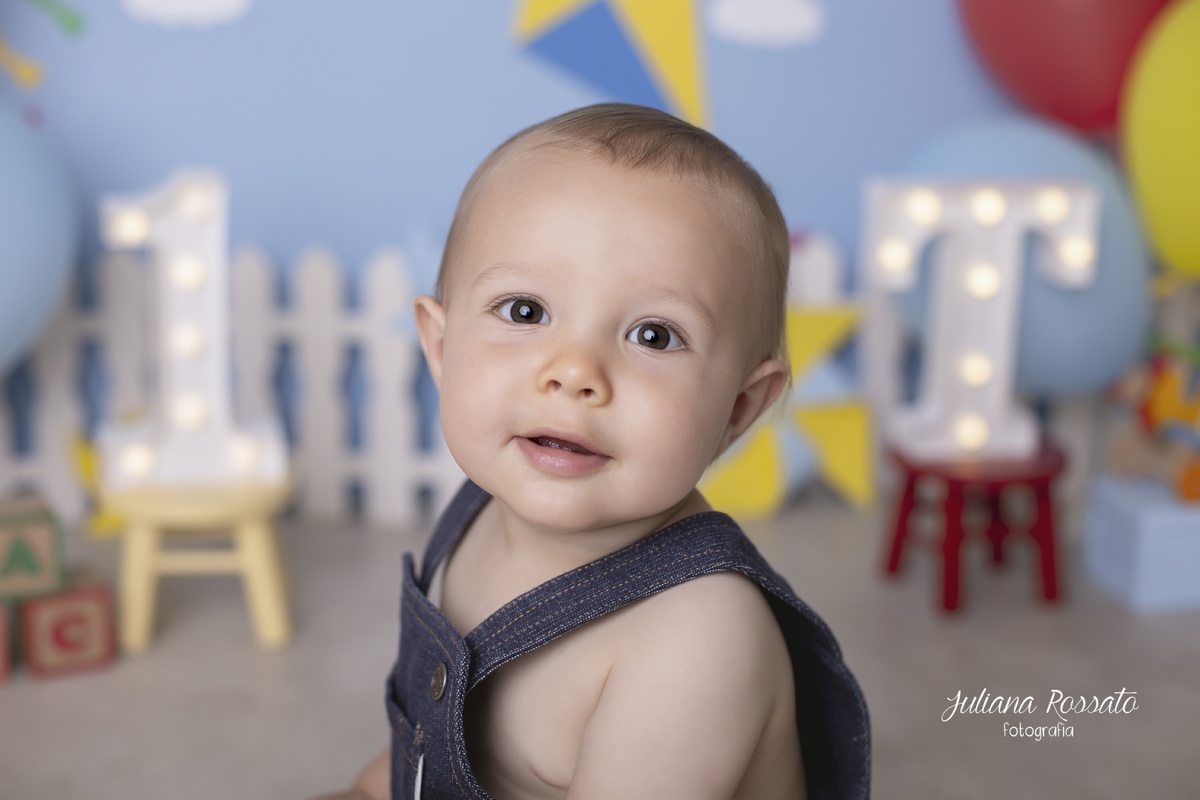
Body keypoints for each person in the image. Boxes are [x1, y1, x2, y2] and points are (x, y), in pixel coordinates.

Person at [337, 103, 869, 800]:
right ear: (441, 347)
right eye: (525, 311)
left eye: (653, 335)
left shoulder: (695, 643)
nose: (574, 371)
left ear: (739, 408)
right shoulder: (476, 517)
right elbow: (422, 745)